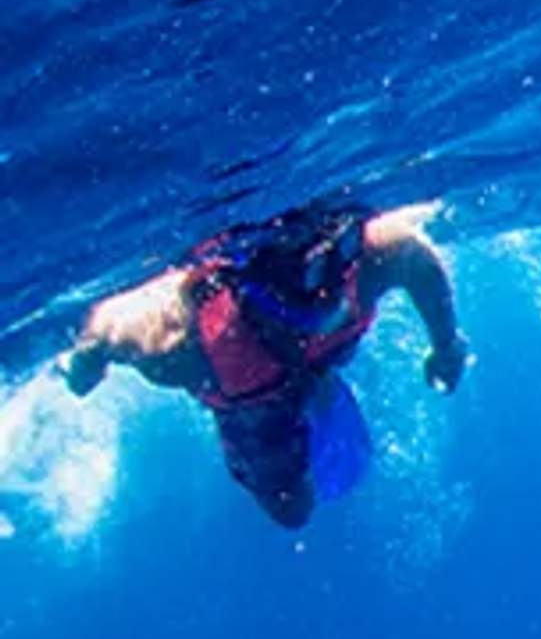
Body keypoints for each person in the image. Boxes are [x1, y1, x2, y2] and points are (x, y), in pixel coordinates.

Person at [59, 200, 466, 529]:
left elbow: (412, 254)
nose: (313, 308)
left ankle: (312, 384)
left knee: (292, 498)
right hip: (251, 395)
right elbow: (108, 328)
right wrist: (81, 364)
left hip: (281, 367)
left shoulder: (365, 266)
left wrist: (447, 345)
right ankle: (309, 389)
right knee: (290, 506)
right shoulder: (185, 349)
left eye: (321, 304)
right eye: (300, 312)